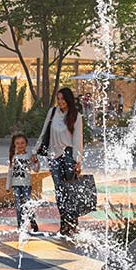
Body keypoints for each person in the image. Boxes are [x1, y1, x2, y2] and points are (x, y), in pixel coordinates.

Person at [34, 86, 86, 236]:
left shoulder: (76, 116)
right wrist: (34, 151)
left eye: (62, 99)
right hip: (53, 155)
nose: (60, 101)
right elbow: (44, 132)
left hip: (69, 155)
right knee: (59, 191)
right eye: (58, 99)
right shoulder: (52, 112)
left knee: (70, 190)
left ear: (68, 100)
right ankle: (64, 223)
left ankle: (72, 223)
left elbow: (78, 140)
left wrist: (78, 161)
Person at [6, 131, 34, 231]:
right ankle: (20, 225)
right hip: (16, 185)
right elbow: (10, 172)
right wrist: (8, 186)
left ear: (26, 144)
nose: (20, 145)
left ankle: (33, 221)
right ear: (14, 145)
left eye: (22, 143)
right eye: (17, 143)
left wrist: (36, 161)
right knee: (18, 205)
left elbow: (35, 169)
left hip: (26, 185)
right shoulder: (13, 157)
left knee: (27, 204)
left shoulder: (29, 156)